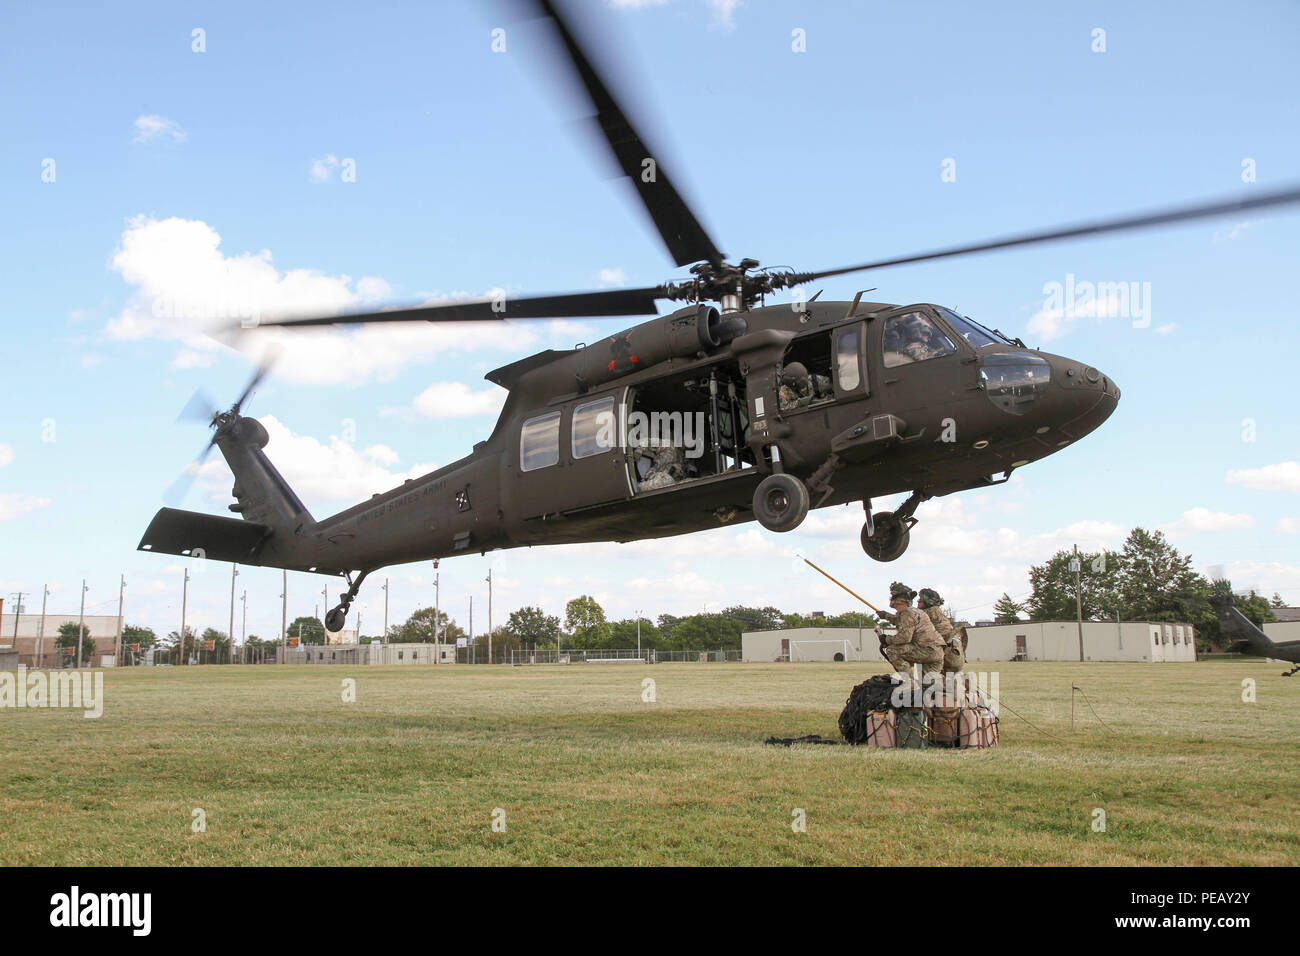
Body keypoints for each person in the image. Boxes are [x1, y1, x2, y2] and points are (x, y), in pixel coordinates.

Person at [880, 581, 945, 678]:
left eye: (892, 598)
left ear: (899, 601)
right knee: (928, 684)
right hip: (936, 653)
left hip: (926, 650)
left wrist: (887, 639)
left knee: (892, 650)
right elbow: (900, 621)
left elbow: (904, 638)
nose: (890, 600)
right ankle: (960, 686)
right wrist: (885, 615)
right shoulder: (914, 612)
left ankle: (911, 683)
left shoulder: (907, 613)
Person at [918, 587, 965, 674]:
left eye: (920, 600)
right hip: (954, 655)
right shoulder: (936, 612)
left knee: (928, 682)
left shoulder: (928, 613)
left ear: (928, 602)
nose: (918, 602)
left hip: (946, 656)